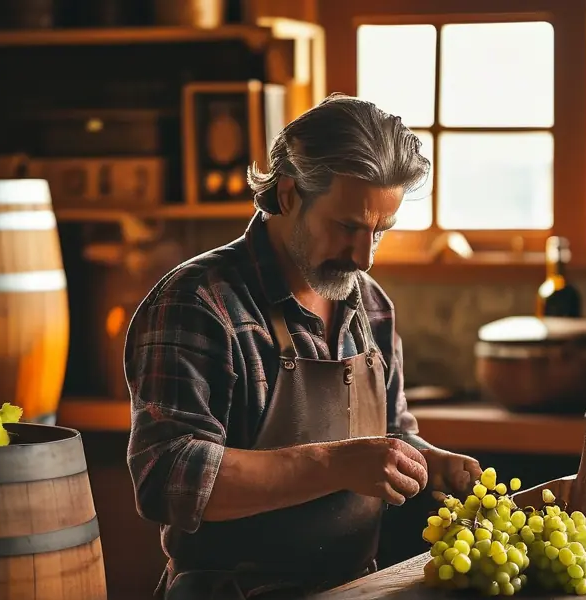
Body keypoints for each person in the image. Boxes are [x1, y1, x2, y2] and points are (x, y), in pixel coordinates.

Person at [124, 93, 482, 600]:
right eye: (348, 227)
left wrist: (427, 461)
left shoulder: (372, 307)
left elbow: (389, 437)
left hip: (356, 590)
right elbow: (167, 477)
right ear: (289, 194)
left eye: (380, 232)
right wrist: (335, 465)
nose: (364, 257)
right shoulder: (199, 303)